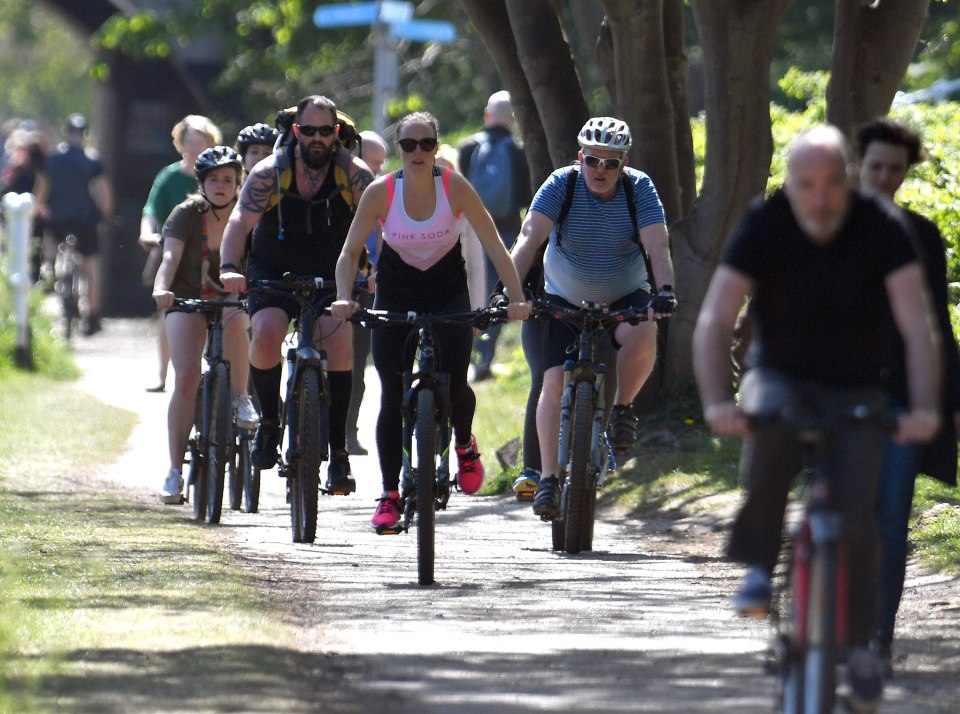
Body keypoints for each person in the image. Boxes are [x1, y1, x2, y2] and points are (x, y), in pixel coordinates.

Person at [692, 124, 941, 709]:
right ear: (791, 183)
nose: (821, 198)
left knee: (859, 515)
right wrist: (716, 402)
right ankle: (757, 566)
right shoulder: (765, 221)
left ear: (848, 180)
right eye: (807, 185)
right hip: (780, 374)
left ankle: (857, 646)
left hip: (856, 385)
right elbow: (716, 318)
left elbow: (916, 326)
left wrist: (925, 407)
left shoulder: (882, 229)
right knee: (771, 425)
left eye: (832, 184)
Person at [330, 111, 529, 531]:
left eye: (425, 144)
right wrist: (345, 298)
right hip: (396, 293)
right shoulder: (382, 192)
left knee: (456, 382)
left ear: (436, 147)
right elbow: (349, 253)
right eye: (408, 145)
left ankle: (463, 445)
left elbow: (495, 244)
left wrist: (515, 298)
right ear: (398, 148)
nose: (417, 152)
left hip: (447, 292)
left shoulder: (453, 186)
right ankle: (388, 493)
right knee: (390, 394)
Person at [510, 116, 676, 518]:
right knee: (551, 382)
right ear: (579, 157)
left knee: (644, 331)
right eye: (593, 161)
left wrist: (666, 291)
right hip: (562, 299)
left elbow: (657, 246)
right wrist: (510, 294)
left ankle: (622, 411)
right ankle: (547, 478)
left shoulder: (639, 189)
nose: (601, 170)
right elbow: (529, 238)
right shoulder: (561, 184)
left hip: (623, 296)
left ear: (624, 163)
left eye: (611, 163)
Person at [219, 95, 374, 495]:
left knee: (339, 340)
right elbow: (239, 222)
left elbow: (384, 223)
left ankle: (338, 451)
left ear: (336, 133)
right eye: (309, 131)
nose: (318, 139)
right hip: (274, 268)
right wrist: (230, 268)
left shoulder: (353, 173)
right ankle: (270, 423)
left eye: (326, 131)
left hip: (332, 269)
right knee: (267, 333)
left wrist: (378, 271)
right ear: (296, 132)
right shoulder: (270, 173)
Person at [854, 117, 960, 675]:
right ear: (857, 164)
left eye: (895, 170)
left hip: (898, 399)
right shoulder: (823, 224)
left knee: (891, 519)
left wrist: (952, 401)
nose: (885, 179)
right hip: (833, 395)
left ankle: (878, 638)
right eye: (875, 168)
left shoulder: (921, 235)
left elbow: (938, 325)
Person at [152, 147, 259, 504]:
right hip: (187, 298)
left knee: (237, 320)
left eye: (228, 179)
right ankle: (174, 471)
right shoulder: (185, 214)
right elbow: (169, 257)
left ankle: (242, 398)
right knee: (185, 378)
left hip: (231, 299)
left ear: (238, 183)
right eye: (213, 179)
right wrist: (162, 288)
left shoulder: (249, 216)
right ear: (201, 183)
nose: (220, 185)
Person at [140, 115, 222, 392]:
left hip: (212, 253)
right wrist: (147, 233)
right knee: (169, 311)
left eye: (200, 142)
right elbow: (151, 209)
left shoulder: (219, 177)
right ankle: (163, 374)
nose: (194, 148)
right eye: (189, 142)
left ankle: (217, 370)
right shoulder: (170, 176)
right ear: (180, 144)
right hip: (175, 251)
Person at [458, 90, 532, 382]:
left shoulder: (467, 148)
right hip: (508, 229)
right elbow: (527, 197)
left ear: (486, 115)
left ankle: (468, 353)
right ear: (512, 118)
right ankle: (485, 359)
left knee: (471, 290)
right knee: (499, 292)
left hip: (472, 230)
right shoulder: (519, 152)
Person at [37, 114, 113, 335]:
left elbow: (42, 191)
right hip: (85, 219)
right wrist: (104, 217)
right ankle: (93, 316)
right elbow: (105, 193)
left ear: (65, 132)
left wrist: (41, 210)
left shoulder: (51, 159)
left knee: (50, 237)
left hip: (58, 217)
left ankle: (49, 271)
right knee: (90, 266)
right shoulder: (91, 160)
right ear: (85, 135)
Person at [344, 129, 389, 456]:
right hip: (339, 284)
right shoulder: (340, 189)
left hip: (369, 288)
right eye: (370, 162)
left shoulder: (385, 192)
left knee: (357, 365)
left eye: (380, 164)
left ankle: (348, 433)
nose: (375, 170)